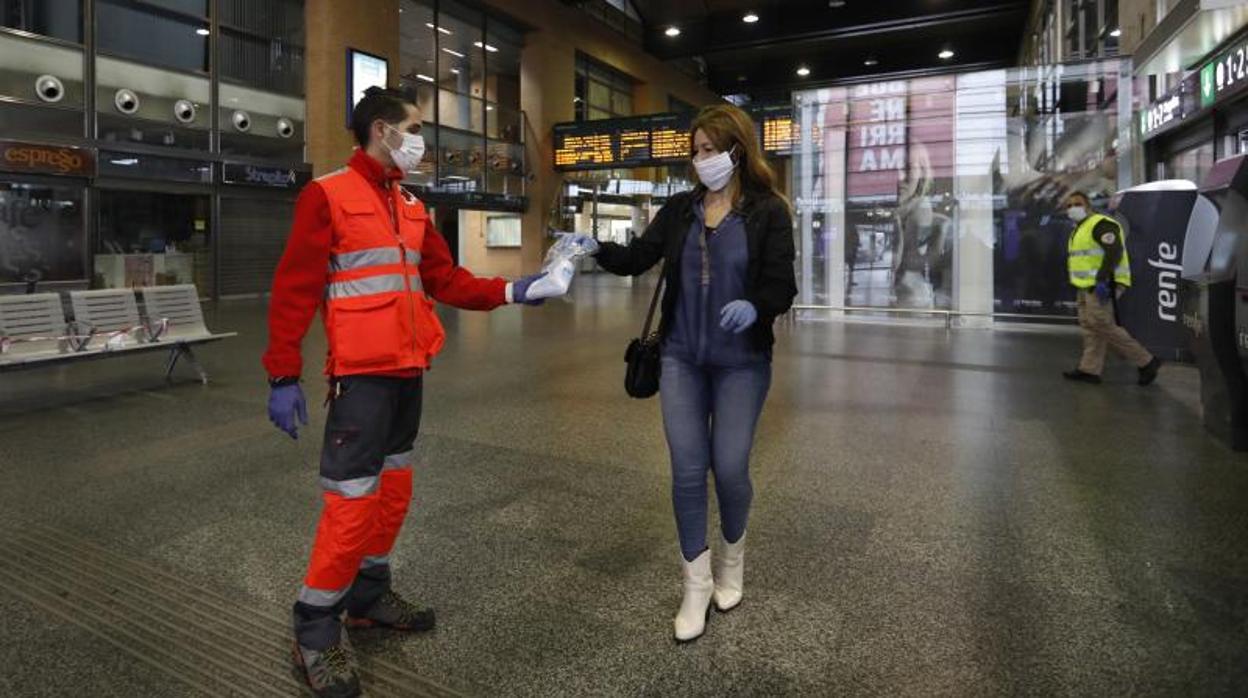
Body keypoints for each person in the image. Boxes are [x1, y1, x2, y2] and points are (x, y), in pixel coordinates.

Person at [262, 86, 546, 698]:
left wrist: (515, 292)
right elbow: (294, 289)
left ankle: (366, 596)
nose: (421, 141)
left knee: (393, 490)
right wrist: (283, 373)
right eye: (414, 127)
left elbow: (445, 279)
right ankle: (314, 628)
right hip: (361, 380)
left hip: (407, 374)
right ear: (383, 130)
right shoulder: (327, 195)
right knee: (352, 501)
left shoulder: (412, 205)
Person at [568, 104, 797, 642]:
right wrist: (595, 247)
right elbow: (637, 258)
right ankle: (695, 586)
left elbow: (781, 285)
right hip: (681, 359)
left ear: (736, 151)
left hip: (741, 363)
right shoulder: (680, 210)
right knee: (689, 472)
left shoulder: (767, 211)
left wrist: (756, 307)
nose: (700, 161)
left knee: (731, 467)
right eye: (695, 152)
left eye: (709, 150)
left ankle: (732, 563)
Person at [1061, 191, 1162, 386]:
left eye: (1077, 203)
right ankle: (1089, 369)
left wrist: (1101, 279)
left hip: (1103, 283)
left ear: (1088, 205)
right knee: (1090, 326)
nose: (1073, 208)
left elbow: (1114, 252)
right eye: (1069, 205)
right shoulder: (1078, 229)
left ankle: (1146, 361)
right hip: (1085, 286)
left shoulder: (1100, 224)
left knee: (1102, 324)